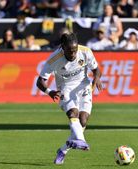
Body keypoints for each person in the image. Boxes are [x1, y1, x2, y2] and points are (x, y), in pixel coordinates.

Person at [36, 33, 102, 165]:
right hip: (65, 87)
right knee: (73, 113)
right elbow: (40, 81)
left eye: (75, 50)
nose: (73, 54)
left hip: (83, 85)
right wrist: (50, 92)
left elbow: (96, 69)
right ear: (62, 47)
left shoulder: (85, 52)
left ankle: (63, 150)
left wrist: (97, 78)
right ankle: (82, 142)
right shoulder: (54, 59)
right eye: (70, 51)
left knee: (83, 120)